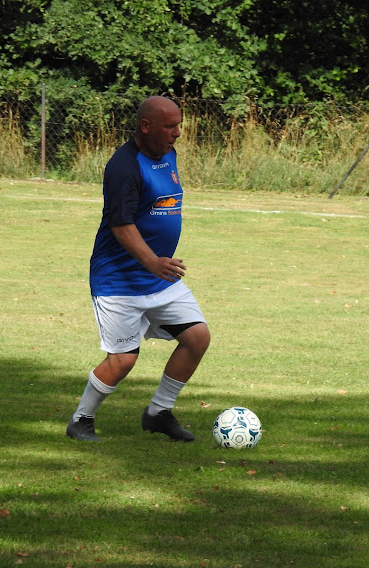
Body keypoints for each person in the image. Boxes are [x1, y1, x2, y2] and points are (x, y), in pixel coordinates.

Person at [66, 96, 211, 442]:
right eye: (169, 126)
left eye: (179, 125)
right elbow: (121, 225)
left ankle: (158, 413)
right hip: (119, 281)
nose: (177, 133)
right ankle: (81, 420)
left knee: (197, 338)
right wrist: (153, 261)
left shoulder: (168, 155)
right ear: (145, 127)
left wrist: (157, 267)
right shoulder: (123, 167)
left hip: (159, 280)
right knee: (123, 361)